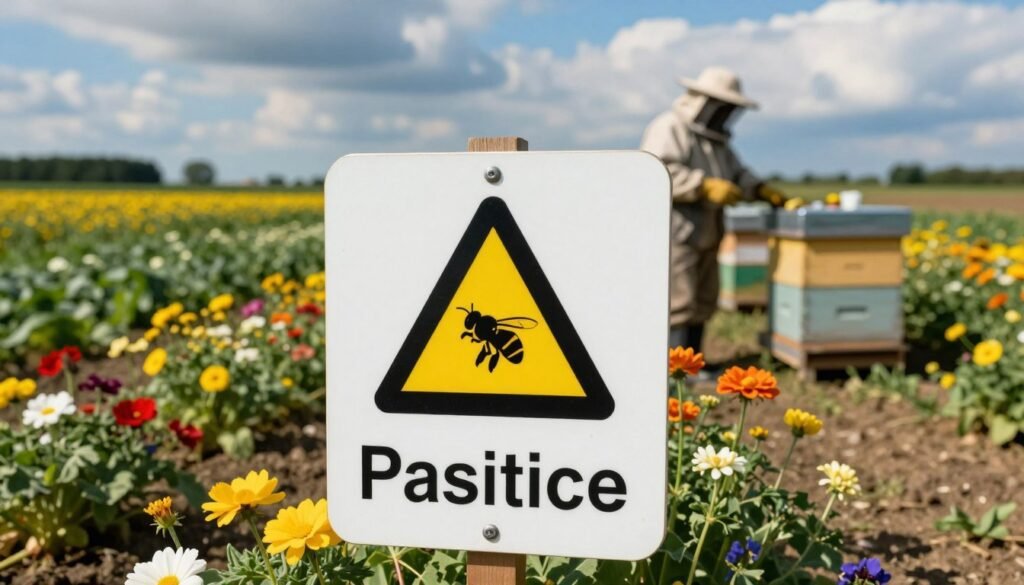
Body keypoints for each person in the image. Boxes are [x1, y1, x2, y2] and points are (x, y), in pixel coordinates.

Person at [641, 66, 785, 355]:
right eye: (723, 107)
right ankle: (674, 366)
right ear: (704, 101)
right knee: (679, 301)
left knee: (704, 300)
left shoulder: (717, 142)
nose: (727, 114)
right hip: (676, 232)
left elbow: (738, 174)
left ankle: (694, 361)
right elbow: (656, 171)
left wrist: (761, 190)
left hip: (709, 230)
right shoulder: (669, 127)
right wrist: (702, 187)